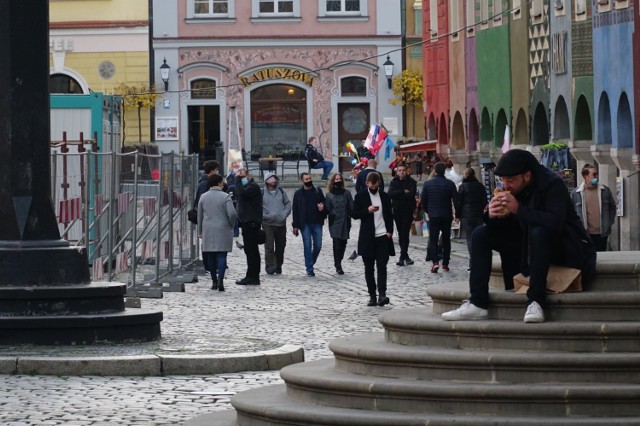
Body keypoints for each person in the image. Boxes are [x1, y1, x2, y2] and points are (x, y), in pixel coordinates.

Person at [442, 149, 596, 324]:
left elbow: (555, 223)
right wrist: (492, 216)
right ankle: (477, 302)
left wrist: (518, 210)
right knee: (480, 234)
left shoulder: (553, 184)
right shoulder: (512, 189)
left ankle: (536, 301)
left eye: (511, 180)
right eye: (503, 180)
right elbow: (512, 227)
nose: (506, 185)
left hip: (563, 246)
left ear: (527, 176)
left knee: (539, 232)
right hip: (525, 247)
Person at [352, 172, 394, 307]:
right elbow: (354, 214)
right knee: (369, 268)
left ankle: (382, 294)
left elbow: (389, 215)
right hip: (367, 237)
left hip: (382, 236)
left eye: (376, 184)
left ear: (379, 183)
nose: (374, 186)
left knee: (382, 266)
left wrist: (389, 231)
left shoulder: (385, 197)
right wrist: (367, 210)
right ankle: (372, 295)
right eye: (371, 184)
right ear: (367, 183)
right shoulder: (361, 196)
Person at [197, 174, 237, 291]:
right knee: (222, 255)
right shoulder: (225, 197)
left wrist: (200, 231)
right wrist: (231, 224)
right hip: (223, 228)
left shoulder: (203, 197)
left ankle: (214, 281)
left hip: (208, 229)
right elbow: (233, 213)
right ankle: (221, 279)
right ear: (219, 183)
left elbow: (200, 216)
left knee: (211, 256)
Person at [420, 162, 457, 273]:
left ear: (435, 171)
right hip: (446, 215)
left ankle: (435, 262)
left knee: (433, 239)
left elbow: (423, 201)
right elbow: (456, 200)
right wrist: (458, 214)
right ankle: (445, 263)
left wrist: (428, 211)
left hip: (434, 215)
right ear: (444, 171)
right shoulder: (450, 184)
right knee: (446, 239)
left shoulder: (427, 184)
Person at [570, 164, 617, 252]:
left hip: (602, 233)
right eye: (594, 174)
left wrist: (609, 222)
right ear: (586, 176)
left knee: (601, 256)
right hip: (585, 233)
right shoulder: (576, 193)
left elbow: (612, 207)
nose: (596, 176)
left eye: (597, 174)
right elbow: (570, 213)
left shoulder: (605, 190)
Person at [292, 172, 328, 277]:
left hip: (317, 222)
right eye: (306, 179)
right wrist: (295, 225)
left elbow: (324, 204)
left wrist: (322, 208)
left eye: (310, 178)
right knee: (307, 246)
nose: (309, 180)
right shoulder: (298, 193)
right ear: (301, 181)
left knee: (318, 245)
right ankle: (309, 268)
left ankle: (310, 262)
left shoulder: (317, 191)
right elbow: (295, 210)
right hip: (305, 224)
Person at [455, 167, 488, 269]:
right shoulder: (480, 186)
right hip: (478, 215)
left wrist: (457, 215)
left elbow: (459, 202)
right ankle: (479, 260)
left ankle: (473, 262)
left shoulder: (462, 187)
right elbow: (484, 201)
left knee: (470, 239)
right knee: (478, 238)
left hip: (466, 216)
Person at [234, 167, 263, 286]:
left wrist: (238, 180)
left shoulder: (253, 187)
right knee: (250, 250)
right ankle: (251, 275)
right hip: (247, 222)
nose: (241, 178)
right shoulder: (248, 187)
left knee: (252, 251)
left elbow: (242, 193)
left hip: (251, 222)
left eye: (243, 175)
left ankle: (253, 276)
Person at [387, 162, 417, 266]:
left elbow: (412, 194)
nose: (401, 172)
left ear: (406, 171)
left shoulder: (412, 182)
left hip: (408, 210)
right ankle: (406, 256)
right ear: (397, 172)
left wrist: (399, 194)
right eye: (399, 171)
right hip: (397, 210)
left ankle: (402, 256)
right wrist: (403, 192)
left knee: (405, 233)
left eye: (403, 170)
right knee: (400, 233)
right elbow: (390, 194)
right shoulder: (394, 182)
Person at [262, 172, 292, 275]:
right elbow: (257, 207)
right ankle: (270, 266)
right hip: (268, 224)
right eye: (271, 179)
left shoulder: (281, 192)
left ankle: (278, 265)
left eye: (275, 179)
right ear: (266, 181)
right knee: (269, 246)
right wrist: (266, 216)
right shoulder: (262, 193)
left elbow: (288, 204)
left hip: (281, 223)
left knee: (281, 246)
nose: (273, 180)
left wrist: (284, 214)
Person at [324, 173, 353, 275]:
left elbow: (351, 207)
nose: (338, 181)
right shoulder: (329, 195)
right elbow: (327, 208)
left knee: (343, 243)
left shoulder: (347, 193)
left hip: (345, 221)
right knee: (336, 243)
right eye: (336, 179)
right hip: (335, 221)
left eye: (339, 179)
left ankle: (339, 259)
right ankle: (338, 264)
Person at [226, 161, 241, 237]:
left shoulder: (242, 176)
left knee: (239, 215)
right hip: (232, 198)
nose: (236, 168)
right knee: (234, 215)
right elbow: (228, 187)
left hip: (240, 198)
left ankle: (238, 229)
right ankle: (235, 231)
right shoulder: (229, 177)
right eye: (234, 167)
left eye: (237, 166)